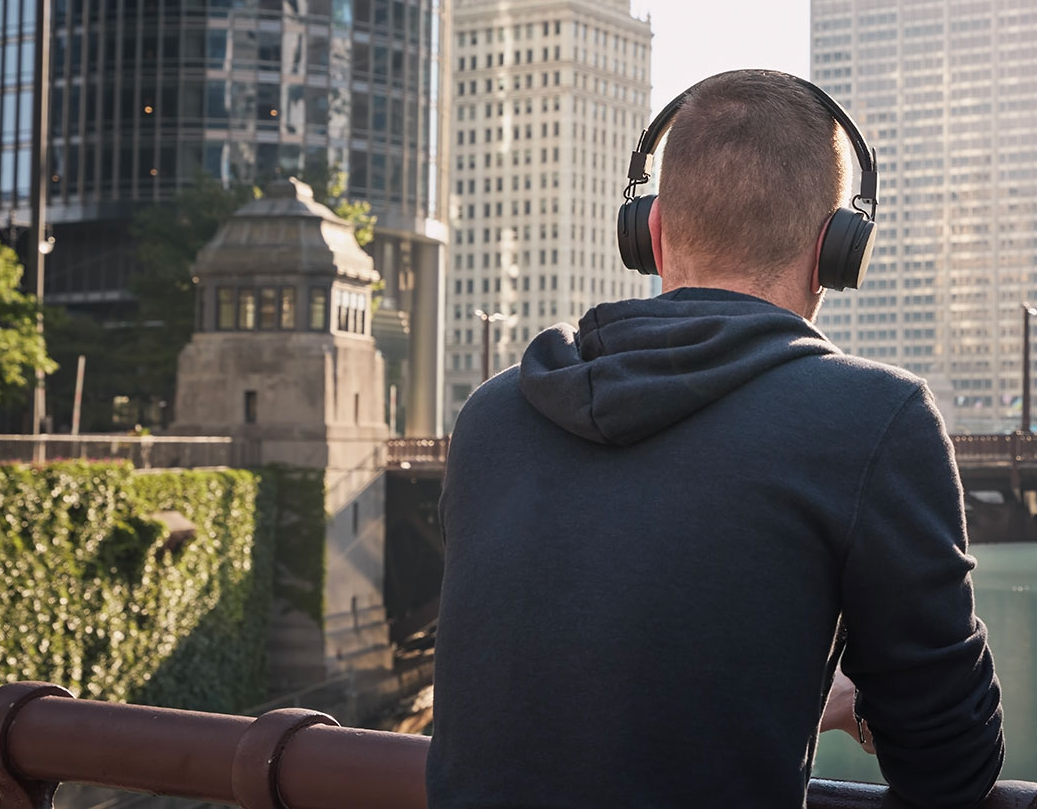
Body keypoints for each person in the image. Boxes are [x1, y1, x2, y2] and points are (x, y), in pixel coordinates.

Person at [426, 69, 1005, 809]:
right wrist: (850, 699)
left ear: (653, 232)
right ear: (835, 249)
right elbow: (951, 767)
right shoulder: (874, 420)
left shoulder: (494, 414)